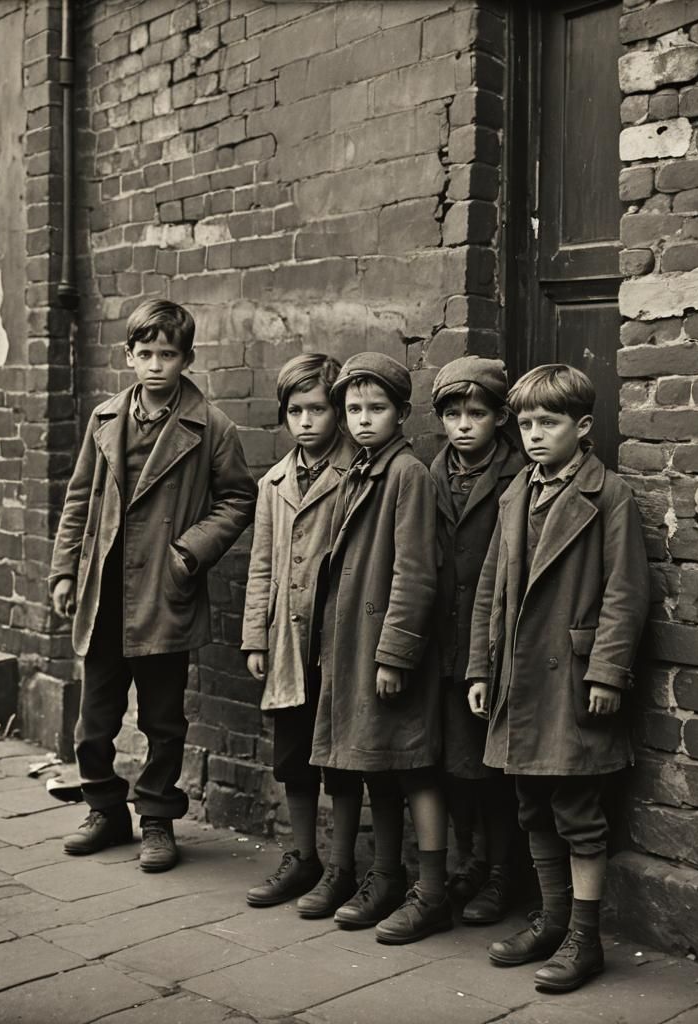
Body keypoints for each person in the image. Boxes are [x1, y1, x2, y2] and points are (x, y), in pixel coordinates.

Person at [49, 299, 257, 872]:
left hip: (165, 593)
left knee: (163, 719)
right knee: (94, 717)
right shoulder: (104, 419)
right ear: (129, 356)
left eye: (168, 354)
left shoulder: (210, 426)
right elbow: (77, 499)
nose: (156, 365)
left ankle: (159, 820)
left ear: (186, 358)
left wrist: (189, 552)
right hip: (106, 591)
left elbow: (239, 497)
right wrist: (66, 570)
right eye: (146, 354)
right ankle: (104, 810)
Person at [466, 364, 649, 992]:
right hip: (520, 677)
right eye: (526, 423)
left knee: (577, 807)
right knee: (531, 802)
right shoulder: (517, 490)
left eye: (550, 423)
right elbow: (491, 589)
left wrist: (607, 673)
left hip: (572, 677)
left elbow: (625, 593)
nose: (535, 435)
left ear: (584, 427)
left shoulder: (608, 495)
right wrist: (480, 669)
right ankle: (551, 917)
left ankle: (585, 937)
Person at [310, 352, 451, 945]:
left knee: (414, 767)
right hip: (353, 648)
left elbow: (416, 571)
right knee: (376, 767)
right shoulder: (359, 470)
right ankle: (386, 877)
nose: (364, 419)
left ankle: (433, 889)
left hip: (389, 650)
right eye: (354, 409)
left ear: (402, 413)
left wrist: (394, 654)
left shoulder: (407, 474)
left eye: (378, 408)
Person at [240, 353, 365, 917]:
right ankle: (303, 855)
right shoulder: (273, 482)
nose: (306, 422)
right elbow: (262, 565)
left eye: (317, 409)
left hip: (337, 638)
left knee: (338, 756)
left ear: (336, 411)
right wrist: (255, 640)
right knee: (293, 754)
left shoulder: (359, 472)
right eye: (295, 411)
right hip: (288, 640)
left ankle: (342, 867)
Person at [428, 357, 525, 925]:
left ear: (500, 416)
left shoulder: (518, 474)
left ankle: (501, 873)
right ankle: (467, 861)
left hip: (493, 641)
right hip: (442, 640)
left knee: (493, 769)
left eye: (477, 413)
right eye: (453, 414)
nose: (464, 425)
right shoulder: (429, 473)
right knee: (449, 763)